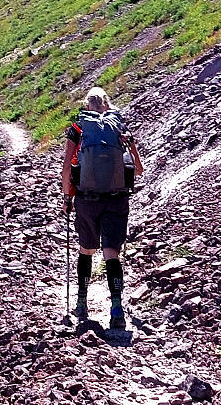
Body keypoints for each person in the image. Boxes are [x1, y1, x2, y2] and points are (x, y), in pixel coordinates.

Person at [61, 87, 144, 329]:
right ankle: (117, 307)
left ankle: (82, 301)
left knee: (86, 249)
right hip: (116, 198)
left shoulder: (78, 128)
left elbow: (67, 168)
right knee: (111, 252)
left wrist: (67, 199)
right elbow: (137, 169)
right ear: (107, 104)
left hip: (87, 199)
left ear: (86, 105)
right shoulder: (119, 126)